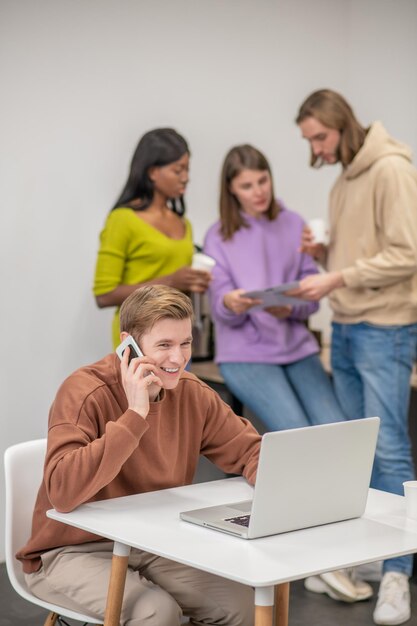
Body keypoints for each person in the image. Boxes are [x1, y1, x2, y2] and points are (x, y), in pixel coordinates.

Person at [17, 285, 261, 626]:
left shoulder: (192, 393)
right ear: (128, 344)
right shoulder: (84, 391)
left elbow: (250, 450)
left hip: (151, 542)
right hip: (70, 551)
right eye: (164, 345)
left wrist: (274, 478)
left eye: (185, 343)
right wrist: (135, 414)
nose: (177, 359)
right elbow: (62, 491)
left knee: (241, 605)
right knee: (156, 612)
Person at [293, 88, 417, 626]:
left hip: (384, 329)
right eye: (309, 140)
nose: (315, 149)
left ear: (341, 124)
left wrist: (338, 275)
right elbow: (370, 251)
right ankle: (371, 558)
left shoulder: (390, 168)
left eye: (319, 137)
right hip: (343, 327)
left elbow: (408, 253)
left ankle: (397, 575)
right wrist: (327, 255)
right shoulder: (345, 177)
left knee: (389, 450)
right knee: (358, 448)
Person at [203, 144, 347, 432]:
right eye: (247, 185)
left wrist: (291, 308)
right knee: (297, 431)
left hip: (297, 348)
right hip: (244, 354)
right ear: (231, 190)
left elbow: (313, 296)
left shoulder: (294, 223)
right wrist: (232, 304)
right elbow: (222, 310)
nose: (258, 191)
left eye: (262, 180)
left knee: (336, 429)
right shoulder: (217, 237)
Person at [93, 128, 211, 349]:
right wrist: (170, 282)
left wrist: (194, 283)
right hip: (139, 339)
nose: (186, 177)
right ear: (153, 172)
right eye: (178, 170)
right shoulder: (122, 220)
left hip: (178, 338)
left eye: (187, 169)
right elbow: (104, 295)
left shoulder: (184, 224)